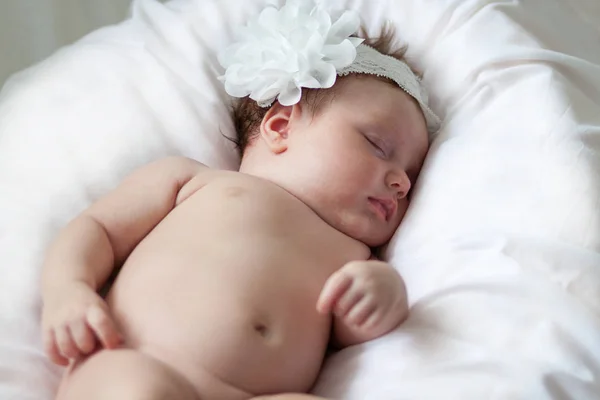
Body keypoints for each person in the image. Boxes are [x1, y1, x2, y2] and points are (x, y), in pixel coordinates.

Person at [40, 1, 441, 399]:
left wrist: (382, 295)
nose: (400, 183)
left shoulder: (358, 258)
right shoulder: (191, 181)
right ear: (281, 126)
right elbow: (99, 228)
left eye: (411, 173)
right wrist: (68, 289)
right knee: (138, 390)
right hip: (140, 359)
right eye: (377, 144)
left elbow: (347, 327)